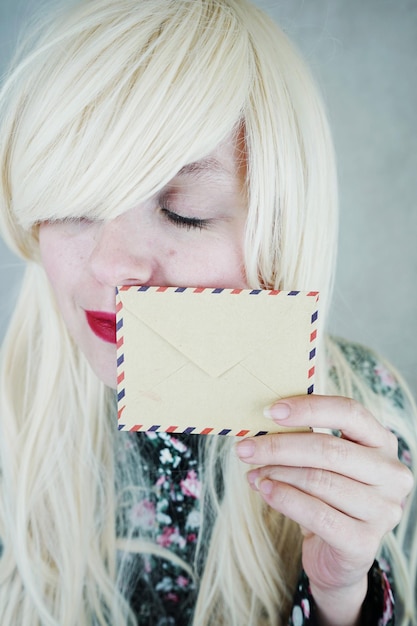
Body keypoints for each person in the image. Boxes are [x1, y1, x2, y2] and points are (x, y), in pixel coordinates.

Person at [0, 0, 415, 624]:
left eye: (184, 210)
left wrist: (340, 598)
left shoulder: (369, 413)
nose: (113, 266)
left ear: (278, 231)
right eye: (73, 201)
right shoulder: (10, 415)